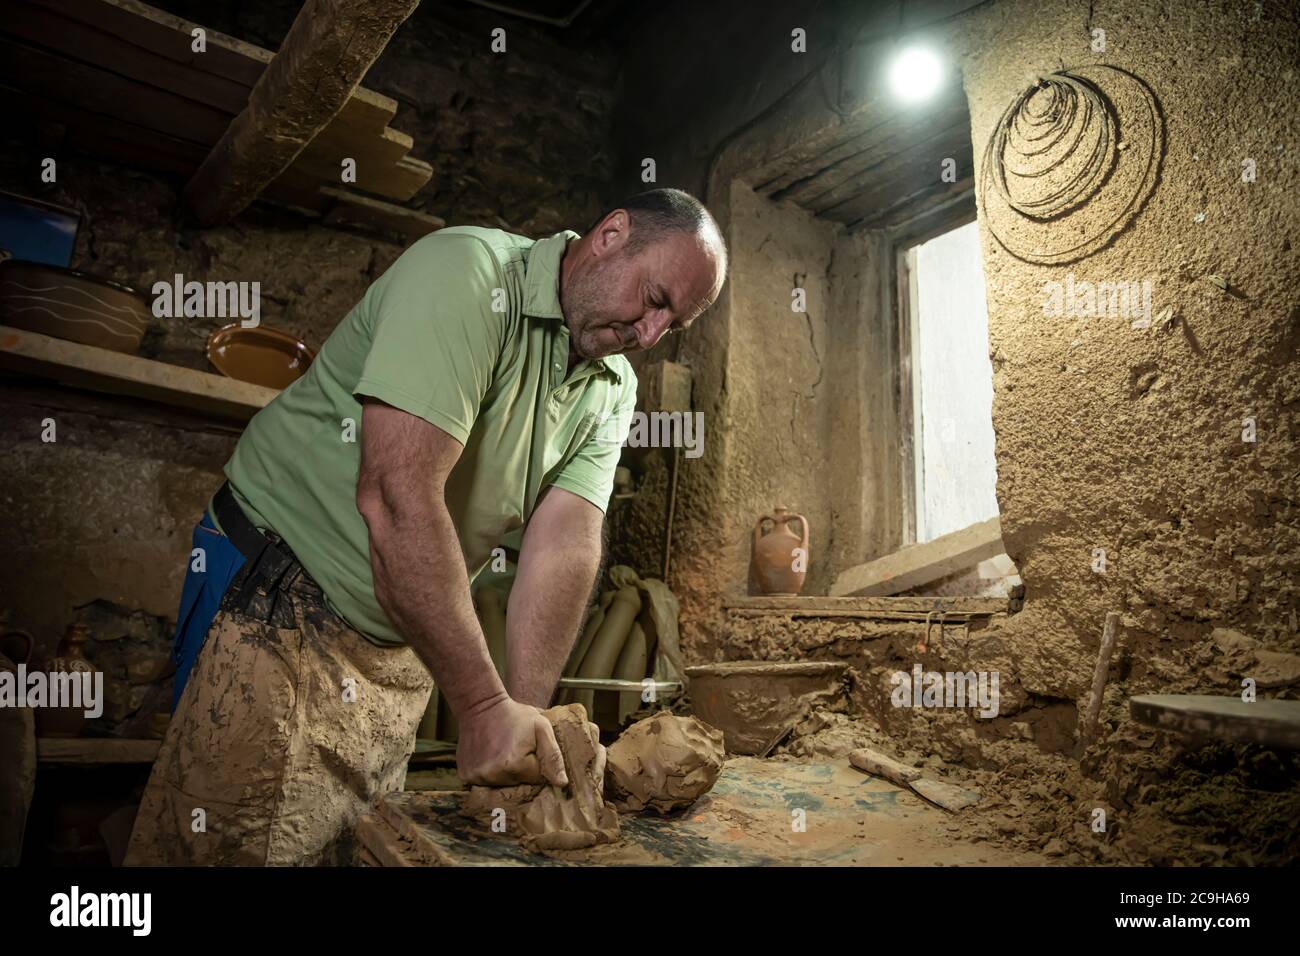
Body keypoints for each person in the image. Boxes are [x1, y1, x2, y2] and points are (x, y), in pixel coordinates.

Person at [124, 188, 727, 864]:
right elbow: (395, 495)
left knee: (358, 848)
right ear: (611, 234)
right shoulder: (467, 275)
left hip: (396, 631)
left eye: (670, 327)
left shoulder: (611, 386)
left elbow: (565, 545)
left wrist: (518, 719)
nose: (648, 335)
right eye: (654, 298)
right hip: (281, 585)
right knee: (230, 849)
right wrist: (477, 707)